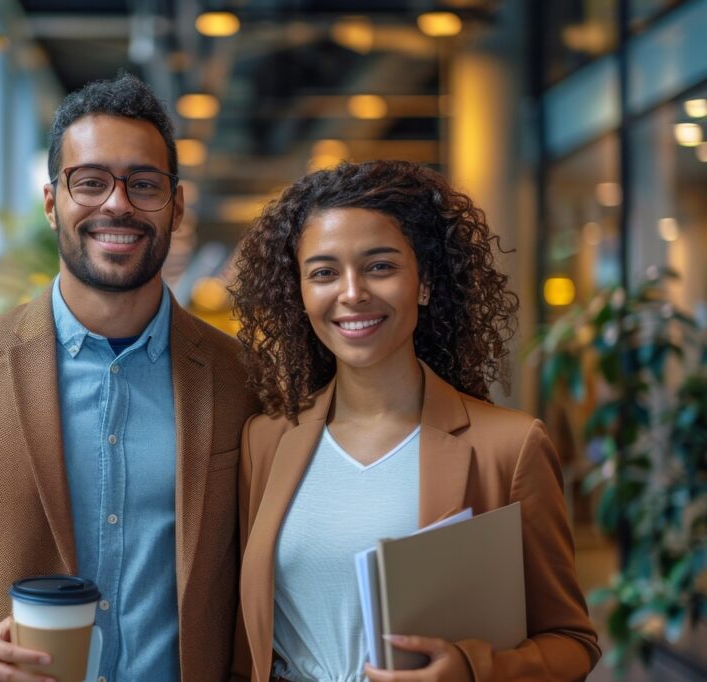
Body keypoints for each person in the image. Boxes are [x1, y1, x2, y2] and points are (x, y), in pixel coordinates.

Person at [0, 73, 258, 682]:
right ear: (51, 201)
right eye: (89, 182)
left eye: (143, 184)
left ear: (176, 204)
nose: (117, 203)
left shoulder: (240, 376)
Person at [229, 160, 600, 682]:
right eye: (324, 272)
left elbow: (572, 643)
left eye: (380, 266)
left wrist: (474, 670)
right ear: (301, 294)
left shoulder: (509, 448)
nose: (352, 292)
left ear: (423, 283)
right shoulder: (265, 440)